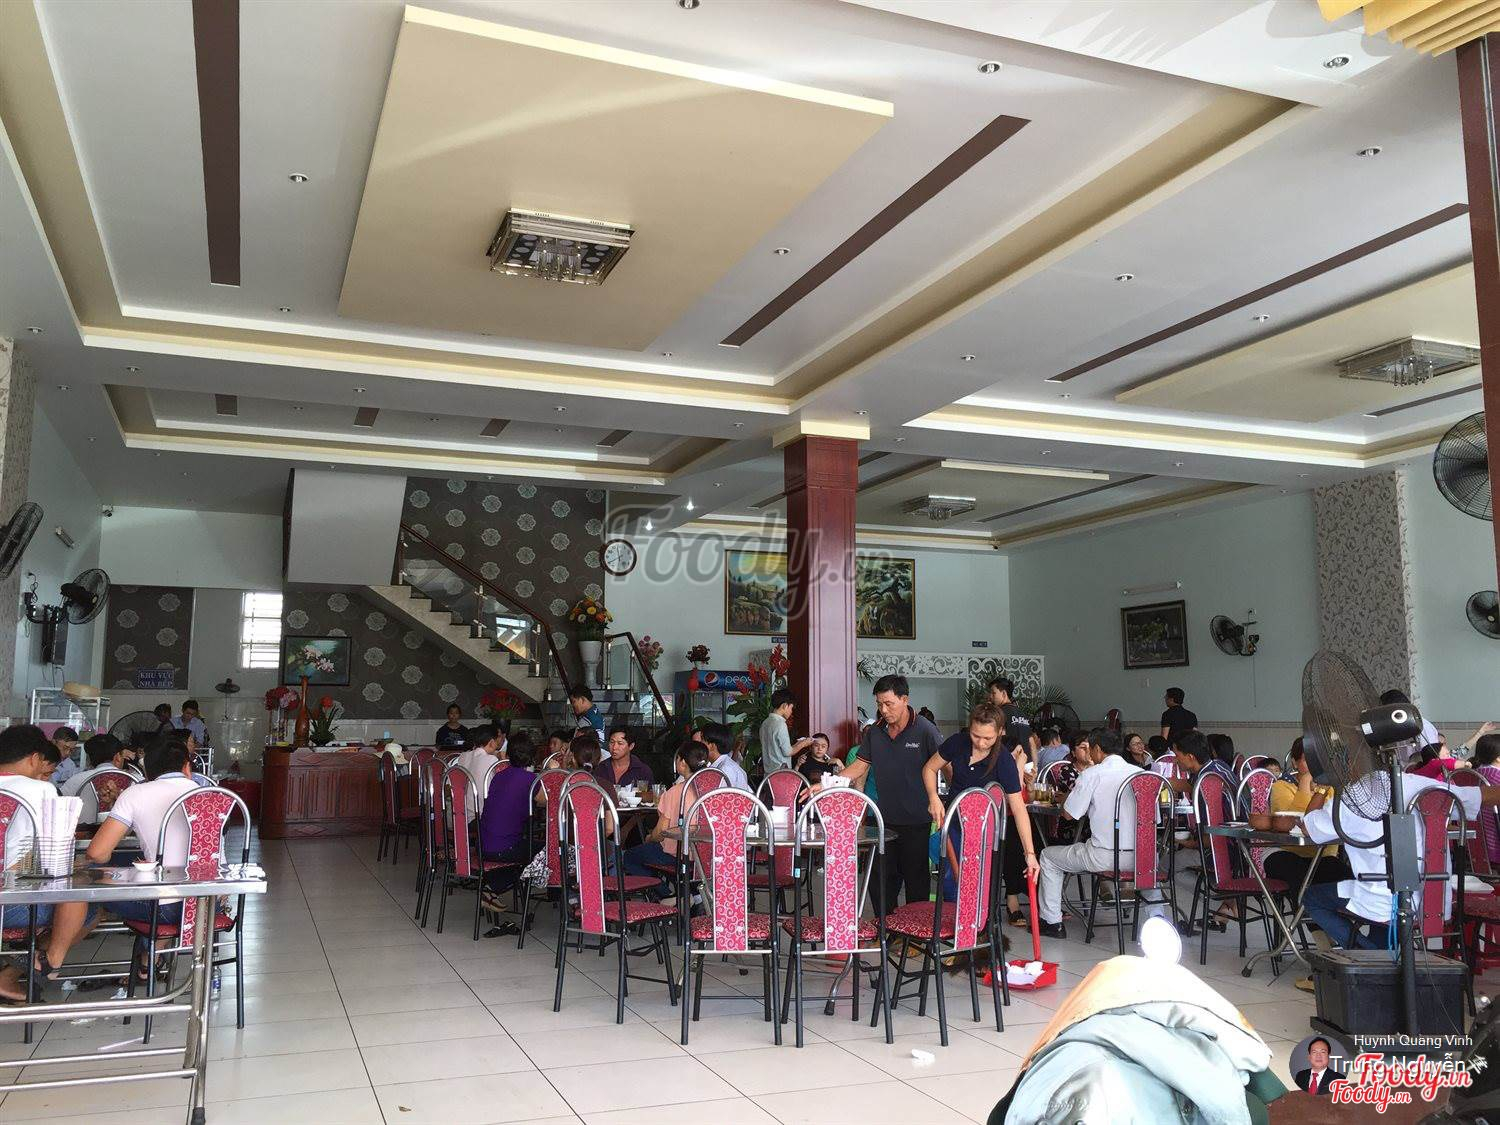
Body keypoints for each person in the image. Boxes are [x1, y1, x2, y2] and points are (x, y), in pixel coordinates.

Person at [1298, 766, 1499, 950]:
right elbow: (1483, 795)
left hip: (1380, 900)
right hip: (1433, 902)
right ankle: (1380, 954)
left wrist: (1323, 788)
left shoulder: (1351, 798)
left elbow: (1308, 827)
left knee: (1311, 898)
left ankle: (1368, 953)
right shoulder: (1421, 785)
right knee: (1376, 903)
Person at [0, 725, 99, 1000]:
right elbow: (55, 861)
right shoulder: (40, 790)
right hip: (10, 906)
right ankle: (41, 964)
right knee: (83, 901)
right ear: (35, 758)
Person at [923, 704, 1039, 922]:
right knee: (951, 882)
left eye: (988, 738)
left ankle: (980, 931)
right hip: (954, 825)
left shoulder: (1003, 760)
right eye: (976, 736)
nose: (981, 743)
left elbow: (1018, 808)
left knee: (980, 887)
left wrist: (1030, 854)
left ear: (1000, 732)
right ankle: (954, 933)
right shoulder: (957, 743)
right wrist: (933, 797)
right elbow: (929, 768)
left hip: (985, 834)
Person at [838, 675, 944, 913]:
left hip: (916, 819)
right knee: (880, 880)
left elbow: (945, 763)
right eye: (879, 704)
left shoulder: (925, 729)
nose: (883, 710)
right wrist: (830, 783)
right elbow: (860, 766)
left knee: (916, 881)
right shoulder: (875, 732)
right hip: (884, 820)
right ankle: (885, 927)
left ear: (904, 699)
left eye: (889, 703)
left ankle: (915, 930)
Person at [1037, 729, 1148, 939]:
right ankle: (1157, 918)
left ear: (1097, 749)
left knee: (1048, 857)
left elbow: (1069, 814)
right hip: (1143, 857)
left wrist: (1068, 799)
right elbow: (1154, 819)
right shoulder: (1142, 774)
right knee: (1149, 868)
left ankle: (1052, 922)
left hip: (1104, 856)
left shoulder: (1092, 774)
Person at [1261, 739, 1351, 891]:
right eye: (1307, 759)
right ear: (1294, 763)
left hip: (1322, 856)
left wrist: (1322, 789)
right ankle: (1303, 906)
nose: (1314, 765)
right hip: (1284, 852)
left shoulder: (1331, 789)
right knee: (1300, 877)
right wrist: (1305, 782)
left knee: (1346, 877)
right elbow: (1296, 824)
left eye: (1319, 759)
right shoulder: (1281, 786)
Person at [621, 741, 707, 882]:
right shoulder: (712, 790)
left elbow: (660, 833)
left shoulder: (675, 792)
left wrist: (649, 838)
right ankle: (685, 891)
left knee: (630, 857)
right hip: (706, 855)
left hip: (677, 855)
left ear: (682, 762)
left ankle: (663, 892)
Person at [477, 737, 538, 901]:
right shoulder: (530, 779)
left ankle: (491, 886)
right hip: (505, 848)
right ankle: (493, 888)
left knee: (524, 848)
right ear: (532, 757)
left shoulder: (498, 776)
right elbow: (546, 801)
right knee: (545, 850)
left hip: (482, 844)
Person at [61, 734, 138, 823]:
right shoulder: (137, 781)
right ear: (117, 757)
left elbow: (59, 808)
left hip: (82, 831)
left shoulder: (75, 780)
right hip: (127, 831)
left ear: (90, 758)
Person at [451, 723, 504, 816]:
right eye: (496, 741)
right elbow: (500, 786)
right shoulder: (491, 760)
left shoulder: (463, 756)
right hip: (482, 813)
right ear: (492, 742)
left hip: (464, 812)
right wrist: (502, 759)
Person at [759, 688, 815, 773]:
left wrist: (800, 743)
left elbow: (780, 748)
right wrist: (804, 744)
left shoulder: (765, 723)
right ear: (785, 705)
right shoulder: (780, 724)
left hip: (768, 773)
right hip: (780, 773)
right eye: (791, 708)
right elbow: (788, 752)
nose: (791, 712)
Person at [987, 678, 1038, 758]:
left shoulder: (999, 713)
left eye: (993, 693)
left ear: (1004, 694)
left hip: (1011, 760)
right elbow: (1032, 743)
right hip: (1027, 762)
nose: (990, 696)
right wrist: (1034, 765)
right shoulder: (1022, 714)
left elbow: (1000, 739)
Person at [594, 726, 654, 790]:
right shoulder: (601, 768)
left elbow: (649, 794)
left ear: (631, 746)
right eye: (612, 742)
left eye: (620, 743)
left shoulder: (643, 771)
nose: (614, 747)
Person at [696, 722, 748, 789]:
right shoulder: (720, 765)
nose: (699, 744)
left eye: (702, 740)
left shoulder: (726, 769)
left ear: (712, 746)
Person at [1474, 733, 1500, 865]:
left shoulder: (1473, 774)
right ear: (1498, 758)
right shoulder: (1497, 777)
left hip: (1476, 843)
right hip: (1495, 839)